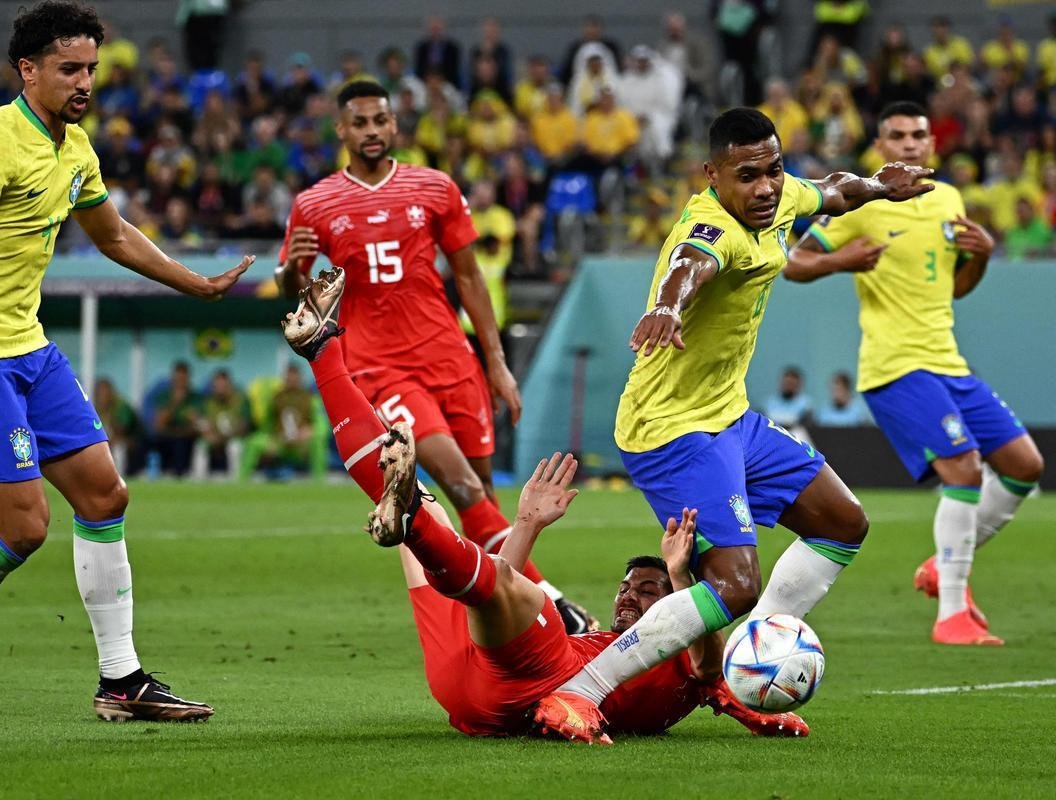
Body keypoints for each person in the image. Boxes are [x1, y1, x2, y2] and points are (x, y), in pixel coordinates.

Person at [0, 1, 249, 722]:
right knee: (24, 527)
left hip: (29, 346)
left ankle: (121, 681)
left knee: (106, 497)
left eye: (90, 69)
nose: (85, 82)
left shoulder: (76, 149)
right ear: (29, 70)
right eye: (68, 69)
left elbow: (113, 236)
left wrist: (195, 282)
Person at [528, 106, 933, 740]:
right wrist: (665, 304)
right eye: (748, 176)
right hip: (671, 428)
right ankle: (579, 693)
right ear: (712, 175)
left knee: (843, 523)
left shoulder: (780, 196)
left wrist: (882, 185)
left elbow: (833, 192)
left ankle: (741, 670)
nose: (766, 187)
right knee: (735, 582)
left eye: (773, 169)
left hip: (729, 416)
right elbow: (690, 263)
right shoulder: (713, 226)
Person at [282, 269, 808, 742]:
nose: (629, 599)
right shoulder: (605, 641)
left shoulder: (676, 658)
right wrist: (527, 525)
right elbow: (494, 590)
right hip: (466, 680)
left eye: (647, 592)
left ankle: (409, 518)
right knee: (428, 516)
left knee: (504, 581)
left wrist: (679, 574)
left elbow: (707, 665)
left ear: (674, 605)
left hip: (535, 681)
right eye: (626, 589)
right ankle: (323, 350)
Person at [276, 80, 594, 634]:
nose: (371, 131)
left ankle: (503, 633)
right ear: (341, 130)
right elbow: (296, 300)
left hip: (451, 357)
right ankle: (554, 608)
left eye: (380, 120)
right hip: (380, 366)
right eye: (360, 122)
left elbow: (469, 276)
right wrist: (286, 276)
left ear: (394, 125)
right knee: (462, 485)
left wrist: (494, 362)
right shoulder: (315, 203)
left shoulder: (435, 187)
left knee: (486, 499)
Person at [787, 101, 1045, 644]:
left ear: (932, 144)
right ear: (880, 146)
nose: (909, 144)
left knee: (1024, 466)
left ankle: (942, 564)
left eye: (918, 135)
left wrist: (981, 255)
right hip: (895, 366)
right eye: (897, 136)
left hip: (948, 361)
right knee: (964, 469)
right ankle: (952, 612)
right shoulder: (861, 202)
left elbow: (954, 288)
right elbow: (794, 262)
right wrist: (841, 260)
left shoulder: (948, 198)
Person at [763, 366, 813, 435]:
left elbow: (806, 426)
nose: (788, 387)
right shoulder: (770, 402)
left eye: (791, 384)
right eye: (786, 383)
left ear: (798, 385)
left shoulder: (805, 404)